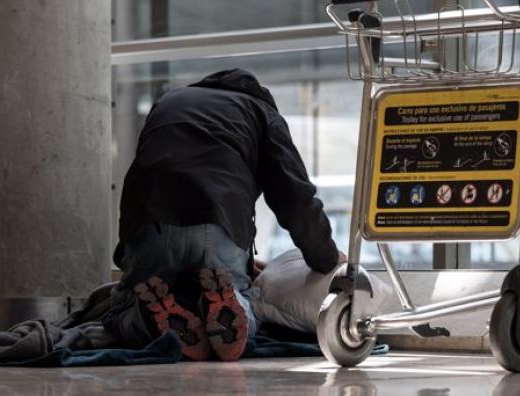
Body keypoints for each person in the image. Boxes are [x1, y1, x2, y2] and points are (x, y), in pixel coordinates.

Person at [103, 68, 344, 361]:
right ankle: (233, 304)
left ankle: (146, 319)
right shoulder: (262, 112)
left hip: (148, 223)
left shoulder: (169, 102)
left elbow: (147, 170)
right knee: (244, 298)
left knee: (123, 306)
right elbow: (294, 195)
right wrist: (326, 258)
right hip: (219, 225)